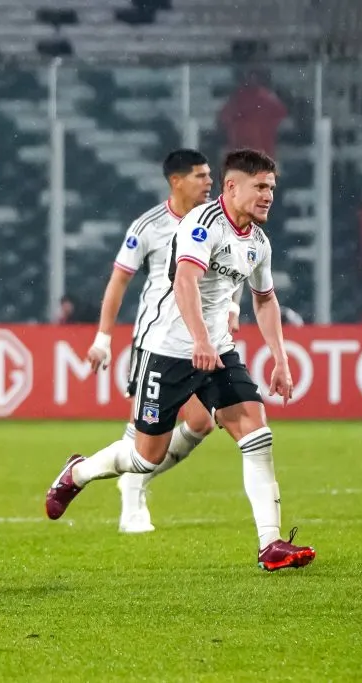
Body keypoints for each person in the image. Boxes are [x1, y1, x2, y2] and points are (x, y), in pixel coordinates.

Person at [47, 149, 316, 572]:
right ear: (233, 186)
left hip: (218, 350)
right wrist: (198, 339)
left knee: (256, 433)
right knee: (143, 457)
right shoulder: (201, 223)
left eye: (272, 188)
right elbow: (185, 280)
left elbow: (265, 301)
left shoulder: (258, 243)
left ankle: (271, 544)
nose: (268, 196)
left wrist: (279, 359)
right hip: (168, 349)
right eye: (260, 186)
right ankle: (77, 473)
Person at [84, 149, 214, 534]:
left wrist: (228, 311)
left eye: (210, 175)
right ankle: (131, 502)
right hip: (155, 340)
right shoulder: (148, 226)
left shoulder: (216, 222)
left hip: (198, 340)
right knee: (144, 430)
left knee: (200, 424)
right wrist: (103, 338)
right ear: (176, 181)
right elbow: (118, 281)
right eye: (200, 176)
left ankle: (134, 480)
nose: (209, 182)